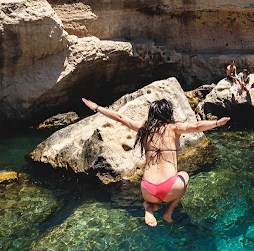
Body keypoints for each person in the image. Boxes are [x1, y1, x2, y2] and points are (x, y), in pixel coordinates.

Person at [82, 97, 230, 227]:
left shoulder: (143, 128)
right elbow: (197, 126)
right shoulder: (174, 128)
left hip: (147, 188)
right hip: (170, 187)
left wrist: (96, 107)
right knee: (184, 175)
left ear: (152, 114)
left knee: (153, 202)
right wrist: (217, 123)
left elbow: (120, 117)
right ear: (168, 113)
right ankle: (169, 211)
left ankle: (149, 208)